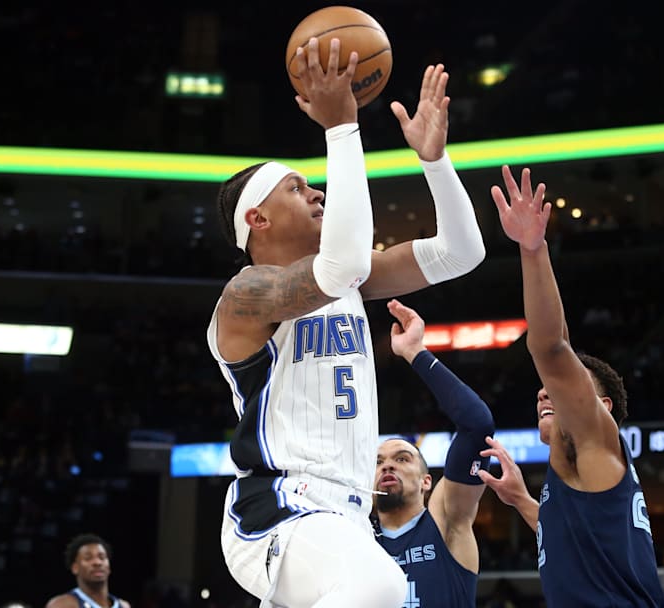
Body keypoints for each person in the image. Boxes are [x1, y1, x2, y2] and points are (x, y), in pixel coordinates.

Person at [207, 36, 485, 608]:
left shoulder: (351, 280)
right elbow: (343, 265)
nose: (316, 193)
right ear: (257, 218)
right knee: (381, 586)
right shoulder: (247, 295)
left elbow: (462, 253)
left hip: (349, 515)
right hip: (281, 505)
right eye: (296, 188)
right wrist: (341, 128)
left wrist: (435, 162)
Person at [482, 165, 664, 607]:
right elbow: (570, 539)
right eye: (544, 389)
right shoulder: (583, 470)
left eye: (559, 389)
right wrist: (521, 500)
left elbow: (551, 348)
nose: (543, 392)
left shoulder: (596, 438)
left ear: (602, 406)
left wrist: (533, 249)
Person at [374, 299, 494, 607]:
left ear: (427, 481)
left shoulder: (446, 521)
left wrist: (415, 352)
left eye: (402, 458)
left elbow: (477, 424)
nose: (387, 466)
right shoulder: (356, 538)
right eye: (378, 462)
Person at [44, 534, 130, 608]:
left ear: (109, 567)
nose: (97, 562)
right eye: (88, 558)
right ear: (75, 567)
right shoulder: (61, 605)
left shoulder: (124, 606)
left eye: (102, 557)